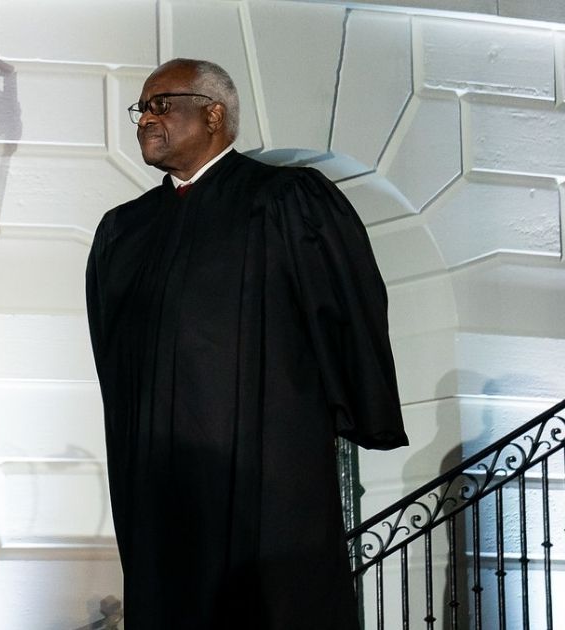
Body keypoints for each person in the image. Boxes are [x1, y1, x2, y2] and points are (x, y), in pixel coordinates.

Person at [85, 58, 409, 628]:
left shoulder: (285, 199)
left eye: (160, 104)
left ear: (213, 113)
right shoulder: (124, 228)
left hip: (265, 460)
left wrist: (351, 406)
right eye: (141, 109)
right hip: (159, 474)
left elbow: (347, 305)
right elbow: (111, 353)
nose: (144, 120)